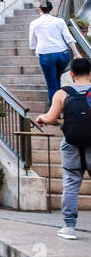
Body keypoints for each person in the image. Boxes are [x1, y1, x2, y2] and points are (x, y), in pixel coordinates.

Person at [35, 57, 91, 240]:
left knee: (71, 184)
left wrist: (41, 118)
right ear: (90, 73)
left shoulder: (62, 93)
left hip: (71, 144)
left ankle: (69, 227)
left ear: (72, 74)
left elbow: (51, 118)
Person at [30, 0, 80, 103]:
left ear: (40, 9)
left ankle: (56, 109)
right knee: (57, 78)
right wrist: (75, 53)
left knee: (51, 82)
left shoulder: (34, 23)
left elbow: (32, 44)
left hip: (46, 54)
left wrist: (37, 53)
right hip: (62, 54)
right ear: (51, 9)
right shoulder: (59, 21)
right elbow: (68, 37)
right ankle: (63, 102)